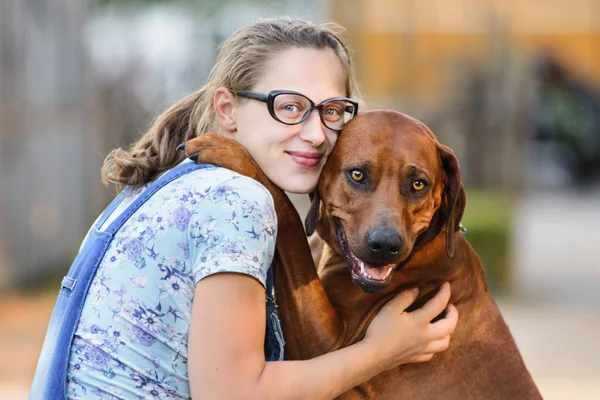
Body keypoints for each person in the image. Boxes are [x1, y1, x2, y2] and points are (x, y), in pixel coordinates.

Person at [30, 17, 458, 399]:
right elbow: (233, 395)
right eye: (289, 107)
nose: (315, 134)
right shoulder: (236, 200)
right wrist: (381, 352)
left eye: (330, 111)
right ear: (227, 109)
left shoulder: (169, 180)